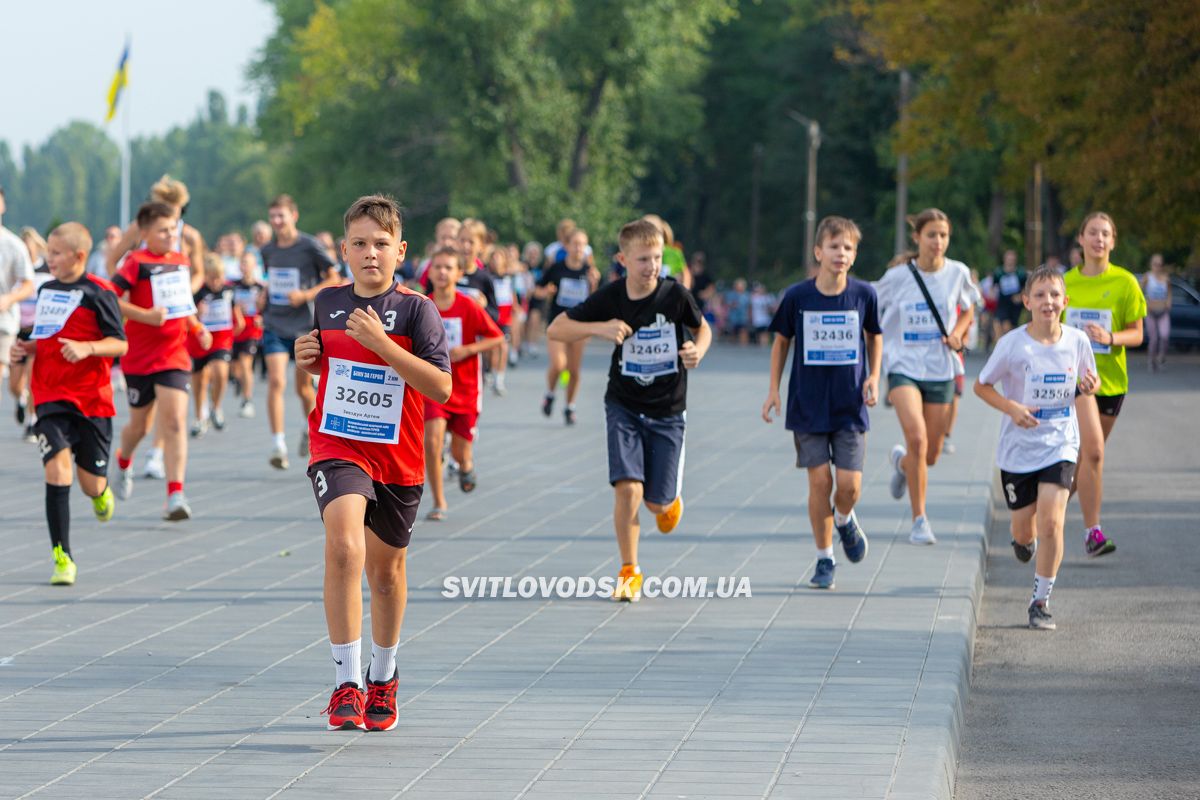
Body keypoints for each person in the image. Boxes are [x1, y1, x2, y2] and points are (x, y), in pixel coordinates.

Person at [293, 194, 451, 731]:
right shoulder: (326, 302)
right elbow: (324, 373)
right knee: (343, 546)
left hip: (398, 459)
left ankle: (384, 675)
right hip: (338, 445)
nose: (370, 253)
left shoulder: (416, 310)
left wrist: (384, 345)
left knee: (386, 575)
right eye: (359, 244)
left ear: (400, 250)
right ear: (343, 249)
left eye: (380, 244)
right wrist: (306, 364)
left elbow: (441, 388)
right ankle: (346, 681)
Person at [547, 218, 711, 601]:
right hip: (623, 404)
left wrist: (697, 351)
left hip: (669, 409)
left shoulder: (675, 295)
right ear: (623, 259)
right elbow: (557, 328)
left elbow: (703, 328)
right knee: (628, 489)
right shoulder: (611, 297)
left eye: (655, 258)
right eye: (642, 259)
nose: (651, 266)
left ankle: (668, 501)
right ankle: (629, 570)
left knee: (656, 503)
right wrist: (600, 328)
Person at [974, 266, 1100, 630]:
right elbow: (981, 387)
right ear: (1026, 301)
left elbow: (1089, 381)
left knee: (1052, 522)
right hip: (1017, 451)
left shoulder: (1077, 341)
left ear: (1066, 301)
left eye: (1055, 295)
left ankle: (1040, 601)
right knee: (1024, 532)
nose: (1048, 302)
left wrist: (1090, 384)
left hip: (1060, 442)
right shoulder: (1012, 344)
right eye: (1040, 295)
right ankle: (1022, 542)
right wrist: (1012, 408)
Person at [761, 216, 880, 590]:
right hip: (807, 405)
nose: (840, 254)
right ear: (818, 252)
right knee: (819, 481)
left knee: (849, 486)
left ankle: (845, 519)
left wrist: (874, 376)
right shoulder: (798, 296)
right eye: (833, 247)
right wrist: (773, 390)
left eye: (847, 248)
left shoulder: (864, 295)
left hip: (849, 405)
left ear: (854, 255)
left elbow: (874, 336)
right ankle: (825, 557)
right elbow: (781, 342)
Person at [14, 223, 127, 584]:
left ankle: (102, 492)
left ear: (79, 256)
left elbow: (120, 344)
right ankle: (62, 556)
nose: (50, 260)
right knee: (56, 470)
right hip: (49, 395)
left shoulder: (99, 293)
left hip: (92, 401)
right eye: (48, 253)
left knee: (89, 484)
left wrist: (88, 348)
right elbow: (46, 334)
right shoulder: (47, 289)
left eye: (56, 254)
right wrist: (28, 347)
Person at [876, 208, 979, 545]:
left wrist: (958, 332)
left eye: (944, 235)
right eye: (932, 234)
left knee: (930, 454)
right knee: (917, 439)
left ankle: (904, 465)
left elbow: (969, 309)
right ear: (917, 237)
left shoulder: (958, 273)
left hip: (940, 367)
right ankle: (920, 520)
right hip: (903, 365)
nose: (938, 242)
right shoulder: (897, 277)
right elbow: (870, 311)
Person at [111, 201, 210, 520]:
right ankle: (124, 460)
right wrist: (145, 316)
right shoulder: (135, 262)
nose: (171, 235)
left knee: (175, 421)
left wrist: (197, 327)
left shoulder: (180, 261)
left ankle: (175, 494)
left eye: (173, 229)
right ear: (145, 233)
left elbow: (183, 304)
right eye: (163, 230)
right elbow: (110, 297)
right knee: (139, 426)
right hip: (139, 357)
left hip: (174, 354)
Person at [1062, 212, 1145, 557]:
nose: (1099, 239)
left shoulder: (1125, 282)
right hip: (1074, 382)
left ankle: (1040, 512)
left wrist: (1110, 336)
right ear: (1080, 239)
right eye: (1092, 233)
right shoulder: (1065, 282)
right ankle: (1092, 533)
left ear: (1113, 242)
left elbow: (1138, 333)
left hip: (1111, 383)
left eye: (1105, 234)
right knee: (1093, 452)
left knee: (1083, 460)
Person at [260, 194, 341, 470]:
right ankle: (278, 444)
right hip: (274, 322)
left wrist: (305, 294)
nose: (277, 222)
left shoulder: (309, 245)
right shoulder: (268, 250)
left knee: (304, 388)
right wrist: (264, 293)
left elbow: (334, 277)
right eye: (272, 217)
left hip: (303, 327)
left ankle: (310, 430)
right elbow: (270, 279)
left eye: (281, 216)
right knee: (275, 382)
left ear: (294, 216)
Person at [422, 247, 504, 520]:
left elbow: (497, 338)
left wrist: (467, 350)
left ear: (458, 273)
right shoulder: (423, 306)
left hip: (466, 388)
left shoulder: (468, 306)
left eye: (448, 268)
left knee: (459, 450)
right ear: (430, 272)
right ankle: (438, 502)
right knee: (432, 442)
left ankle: (465, 464)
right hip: (434, 386)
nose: (443, 272)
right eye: (438, 267)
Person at [536, 228, 599, 425]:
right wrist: (546, 291)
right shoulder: (556, 267)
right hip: (558, 322)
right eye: (575, 244)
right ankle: (550, 393)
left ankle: (569, 406)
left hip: (580, 325)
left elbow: (596, 301)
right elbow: (537, 290)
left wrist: (594, 284)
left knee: (574, 370)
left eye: (583, 244)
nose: (579, 248)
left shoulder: (589, 272)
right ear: (567, 246)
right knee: (558, 364)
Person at [188, 254, 244, 437]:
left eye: (219, 277)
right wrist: (198, 313)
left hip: (221, 340)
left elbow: (238, 319)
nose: (216, 281)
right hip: (200, 340)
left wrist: (232, 334)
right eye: (212, 277)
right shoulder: (198, 292)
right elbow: (188, 318)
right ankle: (199, 417)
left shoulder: (229, 290)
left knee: (221, 372)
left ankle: (216, 408)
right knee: (199, 380)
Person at [0, 187, 35, 422]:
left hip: (3, 322)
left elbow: (28, 284)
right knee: (13, 386)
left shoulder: (13, 244)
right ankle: (21, 398)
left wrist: (8, 299)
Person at [11, 227, 50, 441]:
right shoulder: (16, 271)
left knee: (33, 378)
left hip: (38, 332)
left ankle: (32, 421)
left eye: (29, 247)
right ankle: (21, 400)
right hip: (19, 330)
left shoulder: (45, 270)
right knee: (14, 384)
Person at [231, 251, 265, 418]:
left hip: (251, 330)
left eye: (248, 263)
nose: (245, 266)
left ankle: (247, 400)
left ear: (254, 266)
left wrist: (261, 317)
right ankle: (238, 380)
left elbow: (266, 308)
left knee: (246, 364)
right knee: (235, 367)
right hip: (235, 329)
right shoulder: (232, 286)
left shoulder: (260, 288)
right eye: (242, 262)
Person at [1140, 253, 1171, 371]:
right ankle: (1151, 360)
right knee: (1153, 339)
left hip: (1163, 311)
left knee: (1164, 335)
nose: (1157, 267)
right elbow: (1139, 291)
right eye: (1155, 264)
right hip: (1151, 311)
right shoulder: (1147, 277)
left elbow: (1169, 293)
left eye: (1160, 264)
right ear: (1151, 265)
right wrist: (1145, 303)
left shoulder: (1166, 278)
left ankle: (1161, 357)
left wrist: (1168, 303)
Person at [990, 249, 1026, 341]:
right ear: (1004, 259)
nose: (1010, 261)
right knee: (997, 324)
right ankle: (999, 349)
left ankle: (1009, 347)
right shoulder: (999, 272)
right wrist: (991, 293)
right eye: (1008, 259)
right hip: (1002, 302)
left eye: (1012, 259)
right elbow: (993, 286)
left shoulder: (1020, 273)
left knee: (1008, 328)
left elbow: (1025, 288)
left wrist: (1020, 296)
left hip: (1014, 304)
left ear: (1015, 260)